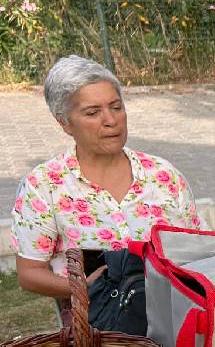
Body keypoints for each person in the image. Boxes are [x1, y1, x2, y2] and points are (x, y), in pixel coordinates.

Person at [11, 56, 203, 308]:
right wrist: (86, 288)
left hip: (175, 316)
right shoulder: (44, 186)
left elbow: (199, 249)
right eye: (92, 112)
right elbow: (30, 273)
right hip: (100, 327)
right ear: (65, 123)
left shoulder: (163, 175)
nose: (110, 120)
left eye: (116, 107)